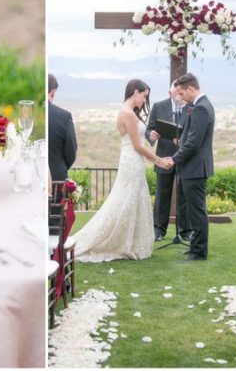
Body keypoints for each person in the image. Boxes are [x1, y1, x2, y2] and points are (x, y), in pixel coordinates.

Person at [74, 79, 171, 262]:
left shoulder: (127, 112)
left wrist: (151, 136)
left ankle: (132, 242)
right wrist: (158, 160)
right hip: (132, 161)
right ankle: (118, 242)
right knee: (124, 201)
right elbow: (137, 146)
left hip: (133, 160)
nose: (144, 101)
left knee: (132, 200)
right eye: (143, 96)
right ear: (135, 92)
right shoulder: (128, 114)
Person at [165, 73, 215, 261]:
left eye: (181, 93)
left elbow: (193, 143)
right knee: (195, 210)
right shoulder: (199, 106)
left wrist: (174, 159)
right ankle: (195, 246)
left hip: (194, 168)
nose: (180, 98)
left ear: (191, 89)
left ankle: (199, 251)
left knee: (197, 211)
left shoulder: (201, 108)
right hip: (192, 168)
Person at [145, 82, 192, 242]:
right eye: (177, 93)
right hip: (164, 156)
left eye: (182, 93)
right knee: (162, 194)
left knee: (184, 194)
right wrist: (151, 135)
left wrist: (183, 140)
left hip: (184, 156)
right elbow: (149, 128)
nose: (180, 96)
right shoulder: (159, 106)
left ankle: (185, 230)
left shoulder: (191, 107)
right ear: (169, 93)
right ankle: (158, 229)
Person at [48, 74, 77, 182]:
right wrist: (59, 166)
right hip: (57, 179)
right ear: (53, 92)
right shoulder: (64, 116)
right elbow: (72, 151)